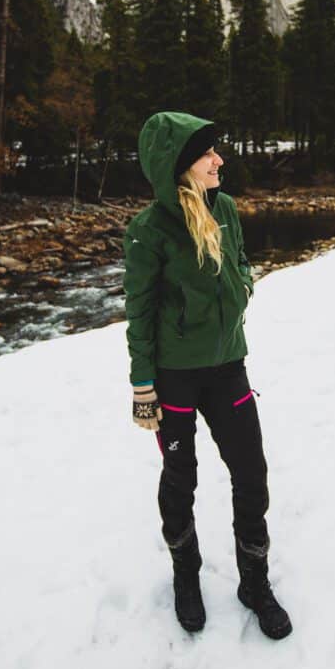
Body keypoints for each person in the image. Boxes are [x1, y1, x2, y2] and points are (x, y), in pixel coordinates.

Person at [123, 110, 292, 640]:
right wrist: (142, 387)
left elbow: (241, 262)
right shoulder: (148, 231)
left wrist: (242, 286)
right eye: (207, 153)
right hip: (174, 378)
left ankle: (254, 582)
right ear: (178, 166)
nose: (219, 160)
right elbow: (140, 313)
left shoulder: (228, 210)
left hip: (228, 368)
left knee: (251, 474)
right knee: (181, 480)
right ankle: (186, 578)